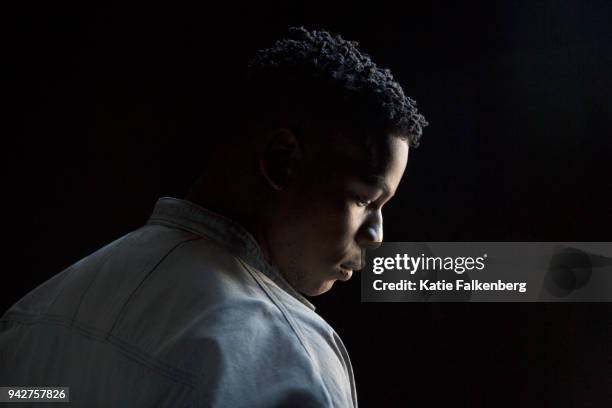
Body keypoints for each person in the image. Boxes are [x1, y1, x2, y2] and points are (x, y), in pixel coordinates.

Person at [0, 26, 427, 407]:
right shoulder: (292, 363)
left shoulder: (38, 310)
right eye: (364, 199)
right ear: (282, 161)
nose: (376, 235)